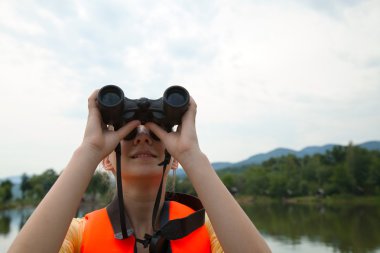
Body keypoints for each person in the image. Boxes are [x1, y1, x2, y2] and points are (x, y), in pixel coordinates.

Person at [8, 89, 271, 253]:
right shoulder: (77, 234)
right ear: (107, 161)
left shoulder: (209, 231)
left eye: (157, 134)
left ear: (174, 160)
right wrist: (89, 150)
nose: (143, 138)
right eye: (130, 132)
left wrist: (192, 155)